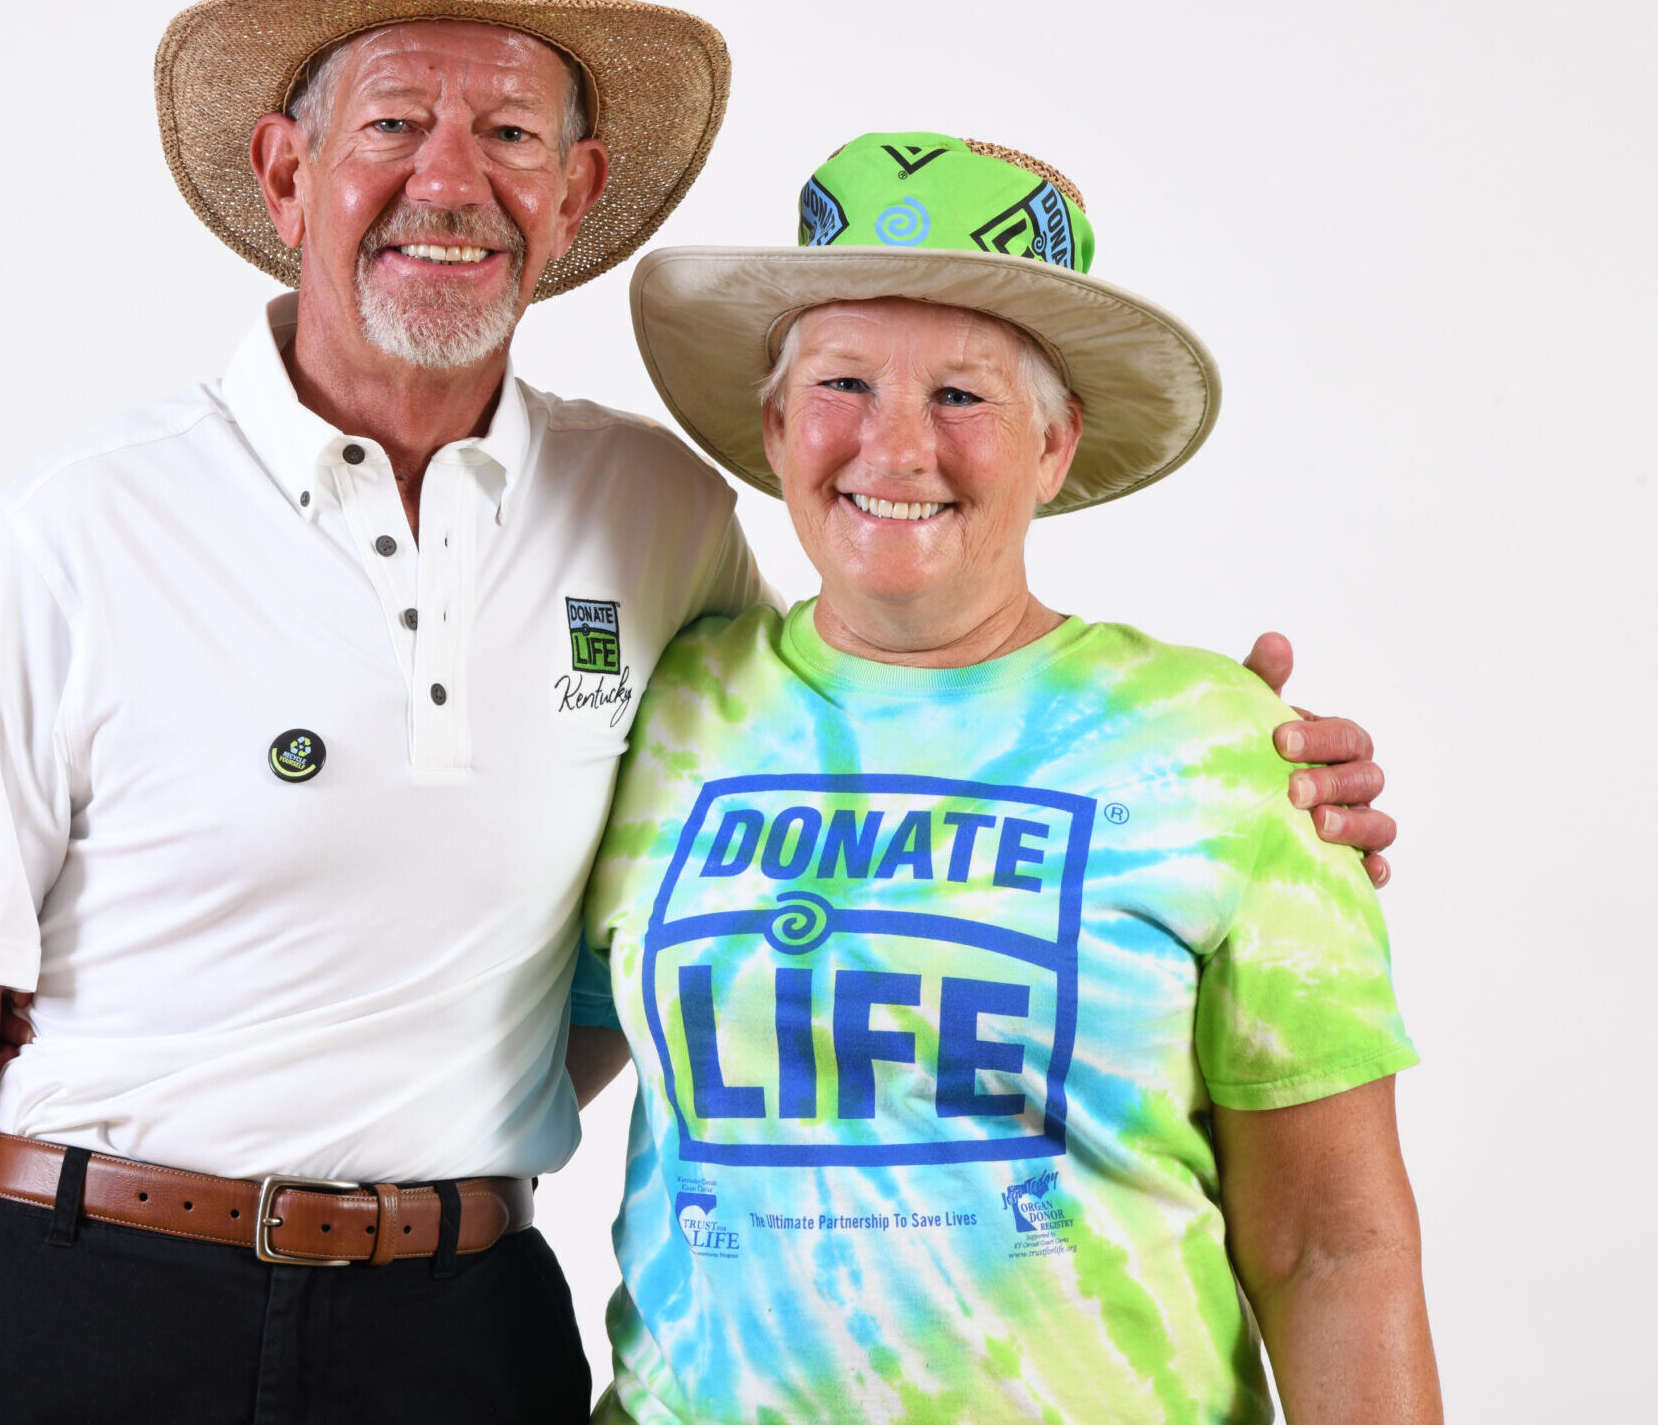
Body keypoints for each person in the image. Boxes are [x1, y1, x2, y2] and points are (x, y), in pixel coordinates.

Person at [0, 0, 1396, 1425]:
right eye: (397, 125)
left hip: (455, 1326)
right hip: (92, 1297)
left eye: (507, 130)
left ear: (571, 192)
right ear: (288, 170)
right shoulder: (84, 524)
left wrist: (1252, 779)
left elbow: (859, 744)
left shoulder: (659, 526)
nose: (450, 180)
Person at [579, 132, 1439, 1423]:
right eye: (845, 380)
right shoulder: (658, 713)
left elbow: (1334, 1246)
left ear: (1053, 443)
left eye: (965, 396)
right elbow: (507, 1045)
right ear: (773, 426)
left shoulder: (1218, 745)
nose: (896, 444)